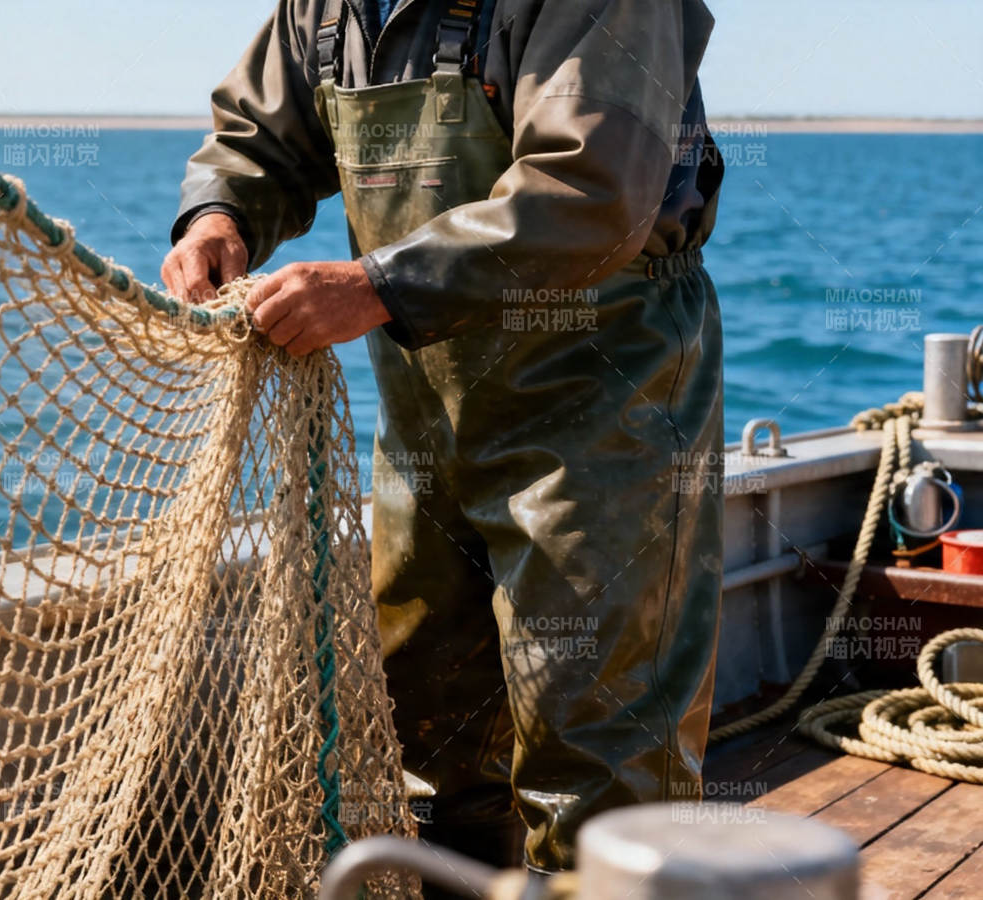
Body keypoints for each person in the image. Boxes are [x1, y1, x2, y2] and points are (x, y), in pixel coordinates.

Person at [160, 0, 726, 875]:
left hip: (604, 402)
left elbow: (594, 190)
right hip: (428, 415)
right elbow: (257, 139)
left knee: (601, 764)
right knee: (427, 729)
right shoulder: (327, 8)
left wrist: (379, 284)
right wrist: (218, 216)